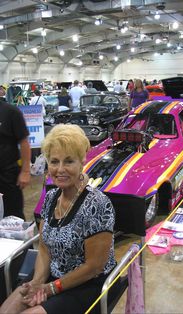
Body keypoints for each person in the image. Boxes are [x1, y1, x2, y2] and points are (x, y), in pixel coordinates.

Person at [0, 124, 117, 314]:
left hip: (87, 284)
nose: (60, 169)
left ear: (81, 162)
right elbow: (45, 247)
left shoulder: (98, 205)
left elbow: (94, 267)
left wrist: (51, 288)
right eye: (54, 161)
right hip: (51, 274)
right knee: (6, 310)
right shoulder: (50, 197)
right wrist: (37, 282)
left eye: (68, 161)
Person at [0, 85, 31, 219]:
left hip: (7, 175)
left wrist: (25, 171)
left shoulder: (10, 112)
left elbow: (23, 142)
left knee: (13, 216)